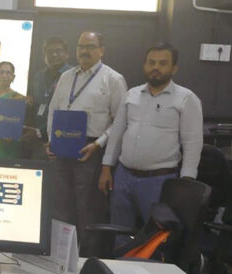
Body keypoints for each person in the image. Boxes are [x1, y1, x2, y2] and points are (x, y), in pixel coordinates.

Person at [100, 42, 203, 229]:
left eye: (163, 63)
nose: (156, 67)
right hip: (123, 176)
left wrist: (185, 183)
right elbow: (117, 133)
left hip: (158, 181)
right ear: (144, 65)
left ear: (174, 68)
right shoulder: (132, 94)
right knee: (118, 231)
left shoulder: (186, 98)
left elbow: (193, 143)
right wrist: (107, 167)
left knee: (155, 236)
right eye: (151, 62)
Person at [47, 31, 127, 256]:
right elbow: (53, 110)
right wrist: (51, 140)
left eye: (90, 47)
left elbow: (120, 121)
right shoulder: (66, 77)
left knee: (88, 210)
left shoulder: (113, 79)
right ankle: (60, 259)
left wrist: (99, 143)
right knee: (60, 207)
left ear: (102, 50)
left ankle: (86, 262)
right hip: (62, 148)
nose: (84, 51)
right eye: (81, 46)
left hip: (91, 150)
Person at [28, 37, 71, 159]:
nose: (54, 54)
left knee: (58, 169)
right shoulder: (38, 77)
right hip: (37, 138)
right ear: (44, 56)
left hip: (62, 136)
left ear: (67, 54)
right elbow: (37, 102)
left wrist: (39, 132)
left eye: (58, 51)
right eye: (49, 51)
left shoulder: (73, 76)